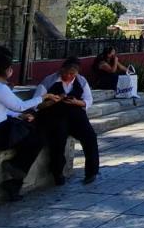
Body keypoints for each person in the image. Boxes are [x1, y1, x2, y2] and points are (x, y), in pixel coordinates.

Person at [0, 48, 48, 201]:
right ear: (7, 70)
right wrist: (42, 98)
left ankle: (15, 180)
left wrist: (21, 115)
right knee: (36, 136)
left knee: (33, 133)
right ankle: (16, 171)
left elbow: (5, 109)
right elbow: (19, 105)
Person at [35, 57, 100, 185]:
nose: (69, 76)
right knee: (58, 139)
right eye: (67, 73)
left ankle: (91, 172)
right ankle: (57, 172)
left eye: (73, 74)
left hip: (76, 115)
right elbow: (36, 104)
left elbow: (88, 101)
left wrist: (76, 102)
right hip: (55, 115)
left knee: (90, 137)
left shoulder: (81, 81)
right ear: (61, 70)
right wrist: (53, 101)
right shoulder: (49, 81)